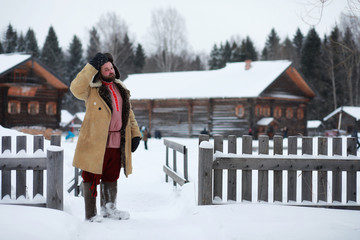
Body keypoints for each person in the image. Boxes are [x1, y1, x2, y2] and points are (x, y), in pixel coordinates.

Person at [70, 52, 141, 222]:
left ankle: (109, 209)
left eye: (111, 68)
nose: (110, 71)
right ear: (99, 71)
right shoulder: (91, 89)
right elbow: (75, 88)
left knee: (112, 175)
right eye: (105, 69)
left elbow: (129, 114)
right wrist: (91, 66)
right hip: (95, 141)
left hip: (118, 141)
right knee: (91, 176)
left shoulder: (121, 88)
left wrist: (136, 134)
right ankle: (91, 214)